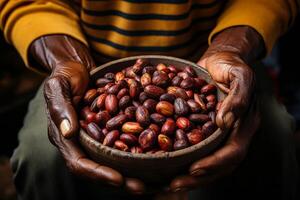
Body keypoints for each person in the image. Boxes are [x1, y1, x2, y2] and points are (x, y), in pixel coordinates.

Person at [0, 0, 299, 199]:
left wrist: (233, 48)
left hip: (217, 63)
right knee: (39, 156)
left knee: (275, 141)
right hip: (87, 70)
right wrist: (66, 59)